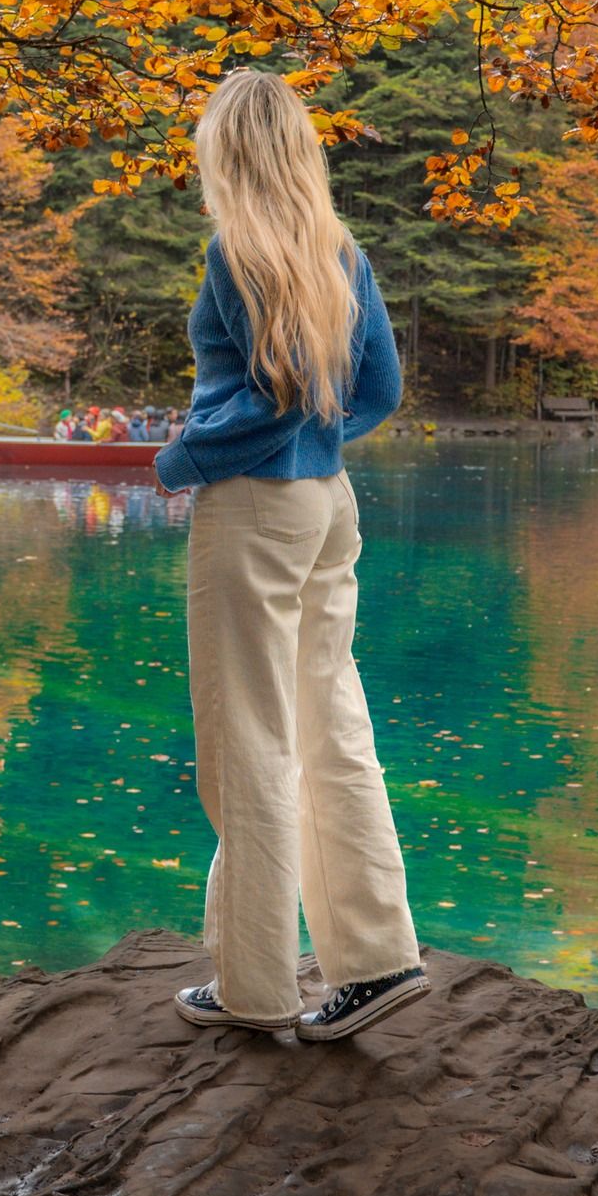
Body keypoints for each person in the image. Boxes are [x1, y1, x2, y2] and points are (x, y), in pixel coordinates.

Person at [153, 66, 425, 1045]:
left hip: (255, 512)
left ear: (227, 151)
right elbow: (378, 387)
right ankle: (376, 959)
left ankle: (255, 986)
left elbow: (270, 395)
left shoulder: (239, 249)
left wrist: (182, 455)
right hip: (323, 503)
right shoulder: (335, 246)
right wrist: (318, 437)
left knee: (250, 741)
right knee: (329, 722)